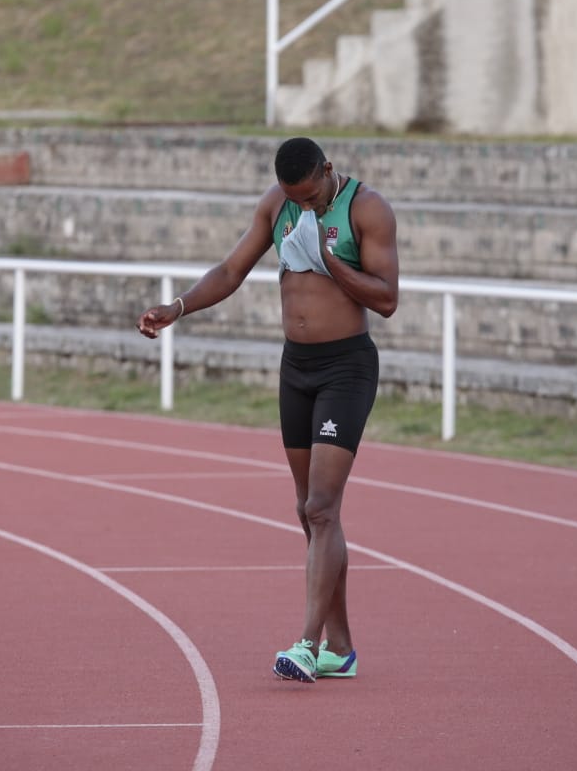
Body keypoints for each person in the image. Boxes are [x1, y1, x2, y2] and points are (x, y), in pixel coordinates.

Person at [136, 136, 399, 683]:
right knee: (309, 510)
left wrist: (329, 260)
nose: (300, 205)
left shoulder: (366, 209)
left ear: (327, 170)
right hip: (296, 369)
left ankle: (306, 643)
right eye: (291, 197)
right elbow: (231, 271)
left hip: (346, 368)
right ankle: (341, 647)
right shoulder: (278, 205)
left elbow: (387, 298)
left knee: (324, 507)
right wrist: (177, 307)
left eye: (308, 196)